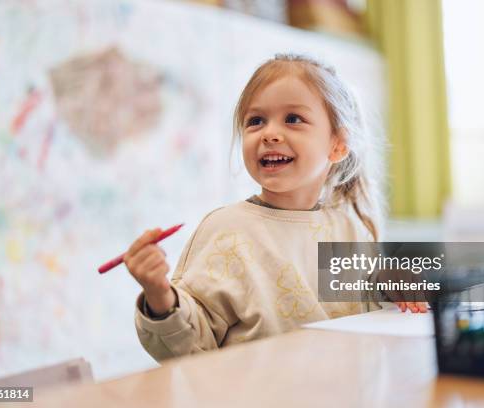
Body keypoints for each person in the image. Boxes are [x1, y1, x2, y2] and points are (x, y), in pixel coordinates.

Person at [127, 54, 427, 362]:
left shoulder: (347, 228)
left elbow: (364, 310)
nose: (269, 133)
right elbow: (188, 345)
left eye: (293, 119)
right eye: (256, 121)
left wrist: (390, 285)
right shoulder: (226, 231)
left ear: (337, 145)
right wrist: (160, 296)